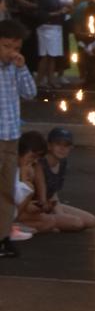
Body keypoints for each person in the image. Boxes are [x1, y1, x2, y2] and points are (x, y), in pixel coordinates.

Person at [0, 19, 37, 258]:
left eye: (16, 47)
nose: (12, 52)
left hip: (11, 136)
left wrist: (22, 68)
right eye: (6, 46)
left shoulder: (15, 67)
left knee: (6, 190)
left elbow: (30, 93)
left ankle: (3, 236)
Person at [22, 128, 95, 232]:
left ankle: (54, 222)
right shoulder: (40, 164)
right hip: (33, 206)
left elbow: (53, 193)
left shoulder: (62, 163)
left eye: (66, 145)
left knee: (91, 220)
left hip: (49, 204)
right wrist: (59, 214)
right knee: (77, 223)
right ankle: (40, 224)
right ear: (49, 146)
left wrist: (59, 212)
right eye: (58, 144)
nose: (62, 148)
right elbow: (42, 198)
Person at [35, 0, 66, 92]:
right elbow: (41, 13)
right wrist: (57, 13)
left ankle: (50, 79)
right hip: (46, 28)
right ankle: (39, 80)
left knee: (53, 55)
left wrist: (62, 12)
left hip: (56, 28)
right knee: (46, 55)